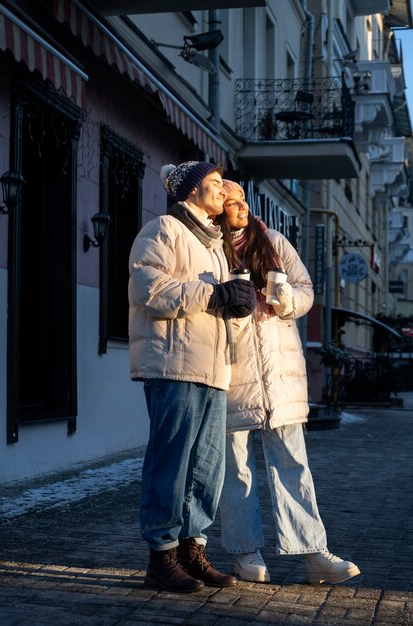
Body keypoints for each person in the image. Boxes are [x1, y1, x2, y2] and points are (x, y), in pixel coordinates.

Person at [216, 179, 361, 585]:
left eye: (242, 199)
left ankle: (313, 553)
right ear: (217, 209)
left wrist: (284, 301)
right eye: (230, 202)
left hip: (281, 376)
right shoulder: (210, 248)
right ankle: (246, 554)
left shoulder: (274, 240)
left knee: (293, 465)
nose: (240, 206)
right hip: (232, 373)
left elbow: (306, 291)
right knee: (236, 470)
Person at [128, 162, 256, 593]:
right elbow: (147, 288)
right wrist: (214, 294)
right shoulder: (164, 229)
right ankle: (160, 558)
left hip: (213, 369)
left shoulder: (217, 247)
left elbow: (216, 310)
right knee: (171, 462)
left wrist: (235, 308)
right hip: (173, 365)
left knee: (206, 471)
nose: (223, 192)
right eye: (216, 185)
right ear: (191, 190)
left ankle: (191, 551)